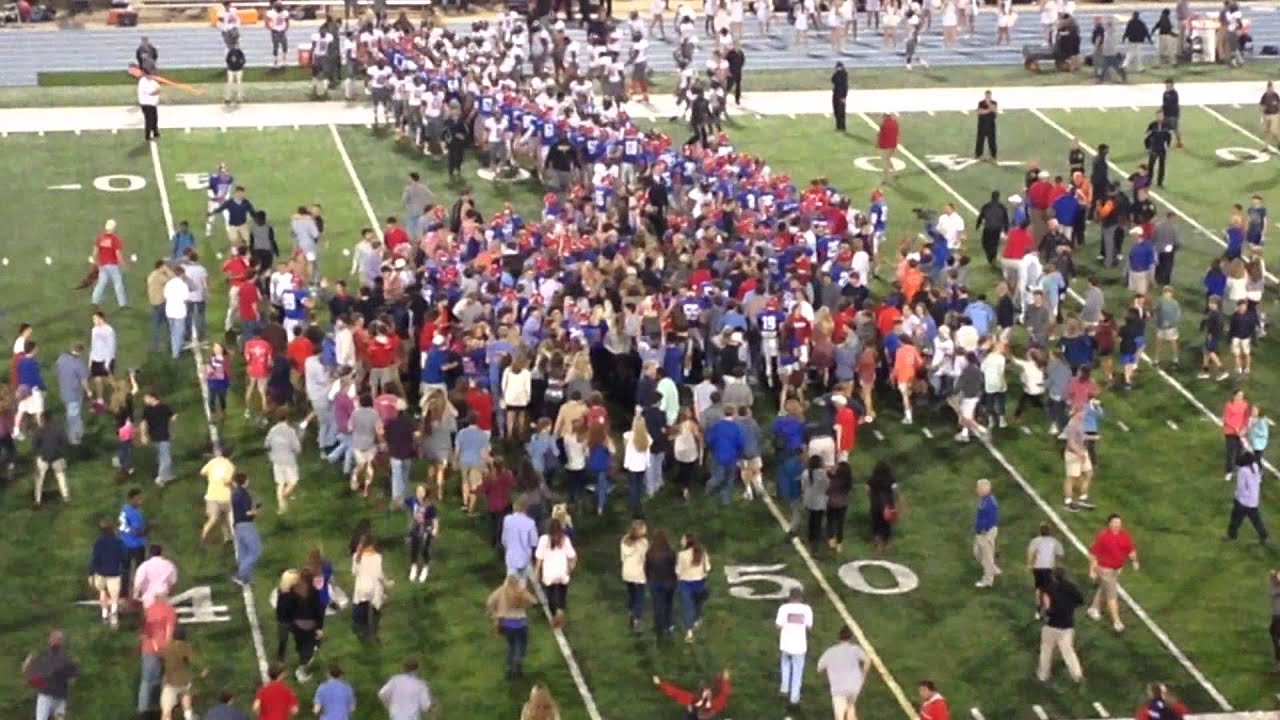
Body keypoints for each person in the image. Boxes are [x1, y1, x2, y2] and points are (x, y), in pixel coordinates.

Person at [1087, 513, 1139, 632]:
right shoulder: (1103, 537)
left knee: (1104, 588)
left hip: (1117, 568)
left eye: (1119, 523)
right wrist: (1092, 569)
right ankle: (1116, 621)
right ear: (1109, 524)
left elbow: (1130, 550)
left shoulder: (1124, 535)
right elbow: (1092, 553)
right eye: (1115, 523)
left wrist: (1135, 561)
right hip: (1104, 568)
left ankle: (1094, 608)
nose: (1117, 525)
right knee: (1112, 595)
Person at [1036, 567, 1085, 683]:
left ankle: (1043, 675)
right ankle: (1077, 675)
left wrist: (1043, 613)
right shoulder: (1071, 587)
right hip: (1067, 625)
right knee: (1068, 651)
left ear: (1053, 577)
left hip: (1052, 624)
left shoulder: (1049, 588)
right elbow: (1081, 601)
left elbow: (1047, 607)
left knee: (1046, 650)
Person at [817, 625, 870, 720]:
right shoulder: (855, 649)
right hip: (855, 686)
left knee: (839, 716)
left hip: (838, 688)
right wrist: (863, 675)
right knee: (850, 709)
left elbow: (819, 667)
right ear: (851, 637)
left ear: (839, 638)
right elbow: (867, 661)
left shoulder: (830, 652)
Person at [487, 574, 535, 679]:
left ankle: (509, 667)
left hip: (507, 624)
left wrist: (494, 613)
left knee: (511, 646)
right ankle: (518, 663)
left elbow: (490, 601)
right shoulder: (521, 591)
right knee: (521, 646)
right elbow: (533, 601)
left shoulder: (501, 591)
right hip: (521, 624)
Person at [23, 630, 78, 720]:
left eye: (59, 639)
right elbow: (73, 677)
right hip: (49, 695)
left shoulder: (65, 658)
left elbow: (73, 676)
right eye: (56, 639)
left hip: (56, 696)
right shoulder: (64, 658)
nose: (57, 641)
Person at [535, 518, 577, 627]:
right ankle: (560, 610)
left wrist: (536, 572)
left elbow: (539, 558)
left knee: (550, 596)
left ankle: (555, 615)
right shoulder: (565, 539)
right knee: (562, 594)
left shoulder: (544, 540)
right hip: (562, 572)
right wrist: (570, 568)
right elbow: (572, 556)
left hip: (549, 574)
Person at [776, 587, 814, 707]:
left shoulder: (784, 608)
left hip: (786, 644)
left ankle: (784, 688)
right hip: (799, 646)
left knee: (785, 665)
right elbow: (809, 627)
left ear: (790, 597)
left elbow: (778, 625)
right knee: (797, 671)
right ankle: (794, 697)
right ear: (801, 598)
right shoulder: (806, 609)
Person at [159, 626, 206, 720]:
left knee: (166, 712)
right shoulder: (184, 646)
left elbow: (160, 657)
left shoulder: (166, 648)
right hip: (184, 681)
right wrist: (203, 669)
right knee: (186, 702)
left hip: (169, 682)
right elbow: (194, 659)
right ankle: (188, 717)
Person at [352, 535, 391, 642]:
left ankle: (363, 633)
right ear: (371, 545)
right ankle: (374, 633)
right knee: (376, 610)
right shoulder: (377, 557)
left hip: (361, 589)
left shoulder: (356, 556)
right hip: (373, 589)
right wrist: (387, 584)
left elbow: (354, 572)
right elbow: (379, 575)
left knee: (361, 613)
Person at [1225, 451, 1268, 544]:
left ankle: (1231, 536)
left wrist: (1236, 496)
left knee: (1235, 519)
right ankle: (1263, 535)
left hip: (1243, 501)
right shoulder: (1255, 467)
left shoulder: (1243, 471)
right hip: (1254, 500)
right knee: (1256, 520)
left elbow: (1241, 488)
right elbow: (1259, 480)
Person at [653, 669, 732, 719]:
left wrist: (724, 680)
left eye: (708, 692)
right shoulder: (694, 700)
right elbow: (675, 692)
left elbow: (724, 693)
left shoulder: (715, 704)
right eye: (705, 692)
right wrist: (660, 684)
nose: (706, 694)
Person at [676, 533, 711, 643]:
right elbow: (708, 568)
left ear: (687, 541)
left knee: (688, 608)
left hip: (686, 584)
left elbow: (677, 571)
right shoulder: (702, 552)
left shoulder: (682, 555)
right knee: (698, 604)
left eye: (683, 539)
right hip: (700, 583)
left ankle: (689, 633)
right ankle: (695, 620)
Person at [230, 472, 262, 587]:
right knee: (256, 551)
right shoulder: (243, 494)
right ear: (245, 481)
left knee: (243, 553)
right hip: (246, 525)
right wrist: (255, 511)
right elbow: (247, 512)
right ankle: (240, 574)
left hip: (238, 526)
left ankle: (246, 578)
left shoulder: (234, 494)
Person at [1027, 523, 1065, 618]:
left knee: (1038, 589)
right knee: (1048, 590)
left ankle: (1038, 611)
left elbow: (1031, 553)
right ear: (1050, 531)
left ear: (1040, 531)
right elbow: (1061, 553)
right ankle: (1048, 609)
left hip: (1037, 568)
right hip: (1048, 568)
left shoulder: (1035, 541)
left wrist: (1029, 564)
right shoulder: (1054, 541)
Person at [620, 519, 649, 634]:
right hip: (638, 574)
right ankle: (637, 619)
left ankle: (631, 614)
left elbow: (622, 557)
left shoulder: (623, 540)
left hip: (627, 572)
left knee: (631, 594)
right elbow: (645, 558)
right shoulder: (643, 543)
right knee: (639, 598)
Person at [973, 479, 1000, 588]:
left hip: (986, 533)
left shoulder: (990, 503)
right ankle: (993, 569)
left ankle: (988, 580)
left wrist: (984, 530)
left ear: (985, 489)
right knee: (977, 552)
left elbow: (992, 519)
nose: (977, 490)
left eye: (979, 488)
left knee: (987, 556)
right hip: (981, 532)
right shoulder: (984, 500)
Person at [137, 67, 160, 141]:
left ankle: (155, 132)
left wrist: (158, 89)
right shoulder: (142, 82)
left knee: (155, 118)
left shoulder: (153, 81)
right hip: (146, 104)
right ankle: (147, 135)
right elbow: (151, 92)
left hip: (153, 104)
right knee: (149, 119)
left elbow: (157, 87)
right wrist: (157, 91)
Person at [975, 89, 998, 161]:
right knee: (980, 140)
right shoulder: (981, 103)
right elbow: (980, 112)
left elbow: (994, 110)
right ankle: (978, 154)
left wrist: (989, 104)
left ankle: (993, 155)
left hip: (991, 124)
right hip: (982, 124)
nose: (988, 96)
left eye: (989, 95)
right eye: (987, 95)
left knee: (992, 141)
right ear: (985, 95)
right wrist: (988, 110)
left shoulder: (994, 102)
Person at [876, 113, 899, 183]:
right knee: (888, 159)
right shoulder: (895, 123)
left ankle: (887, 179)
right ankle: (894, 172)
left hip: (885, 145)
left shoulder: (884, 125)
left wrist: (877, 144)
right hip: (893, 145)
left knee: (885, 162)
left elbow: (880, 134)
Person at [831, 62, 848, 131]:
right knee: (836, 111)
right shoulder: (837, 74)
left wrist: (844, 97)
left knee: (841, 111)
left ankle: (842, 126)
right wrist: (836, 72)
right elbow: (832, 80)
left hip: (841, 95)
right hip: (836, 94)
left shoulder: (844, 74)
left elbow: (845, 87)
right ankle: (838, 126)